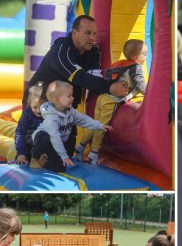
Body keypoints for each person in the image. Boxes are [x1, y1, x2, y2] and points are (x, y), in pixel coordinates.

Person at [14, 15, 128, 165]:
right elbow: (77, 76)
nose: (93, 38)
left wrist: (117, 88)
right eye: (87, 33)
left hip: (64, 108)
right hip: (39, 102)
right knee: (37, 143)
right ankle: (26, 156)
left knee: (65, 151)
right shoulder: (62, 49)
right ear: (74, 33)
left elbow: (94, 79)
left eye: (95, 34)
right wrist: (110, 87)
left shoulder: (94, 52)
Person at [76, 39, 147, 165]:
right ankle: (94, 153)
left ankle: (81, 146)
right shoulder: (136, 67)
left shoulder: (120, 64)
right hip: (111, 100)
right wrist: (151, 94)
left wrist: (130, 94)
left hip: (102, 97)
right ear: (136, 57)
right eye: (145, 54)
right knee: (101, 126)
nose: (146, 57)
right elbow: (141, 87)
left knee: (94, 123)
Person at [29, 81, 112, 172]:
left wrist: (99, 125)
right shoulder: (52, 118)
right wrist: (64, 157)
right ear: (58, 99)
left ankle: (46, 157)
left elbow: (83, 119)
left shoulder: (69, 111)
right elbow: (54, 137)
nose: (72, 98)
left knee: (58, 168)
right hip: (46, 140)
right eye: (69, 96)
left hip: (59, 141)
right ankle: (35, 158)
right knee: (43, 137)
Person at [14, 83, 46, 164]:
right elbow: (20, 132)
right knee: (22, 158)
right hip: (29, 145)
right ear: (30, 104)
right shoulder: (28, 113)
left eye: (42, 107)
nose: (38, 111)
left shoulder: (50, 113)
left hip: (44, 146)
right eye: (35, 107)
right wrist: (21, 152)